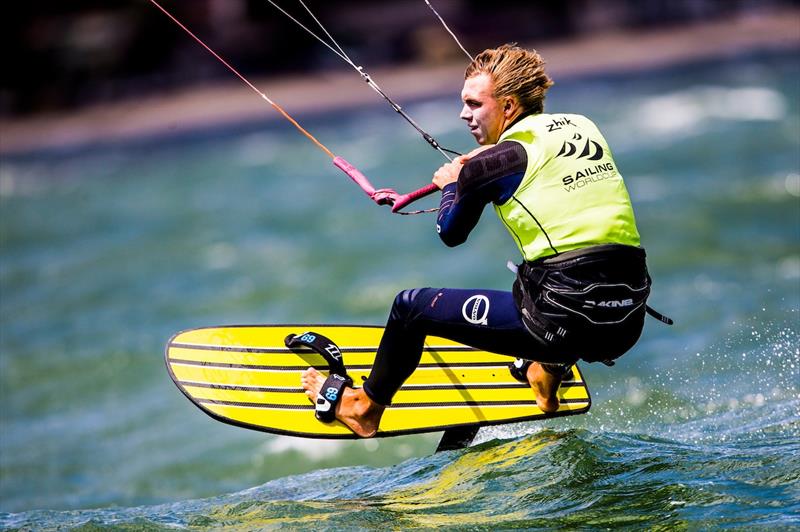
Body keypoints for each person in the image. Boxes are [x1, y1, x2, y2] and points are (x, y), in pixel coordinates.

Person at [302, 44, 664, 437]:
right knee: (546, 277)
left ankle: (364, 408)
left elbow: (451, 233)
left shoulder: (490, 166)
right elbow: (533, 165)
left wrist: (452, 185)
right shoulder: (583, 126)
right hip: (626, 321)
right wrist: (478, 169)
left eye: (474, 104)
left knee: (410, 308)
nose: (464, 115)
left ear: (508, 107)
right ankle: (547, 374)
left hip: (566, 323)